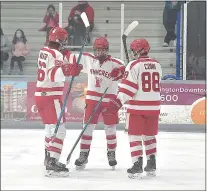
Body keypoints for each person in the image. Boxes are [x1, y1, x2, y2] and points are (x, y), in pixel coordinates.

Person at [64, 37, 125, 170]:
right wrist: (73, 66)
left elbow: (127, 73)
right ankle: (83, 154)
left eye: (103, 50)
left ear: (107, 50)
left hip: (109, 100)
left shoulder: (116, 62)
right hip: (92, 99)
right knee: (87, 127)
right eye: (98, 50)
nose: (100, 53)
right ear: (94, 49)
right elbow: (71, 57)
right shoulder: (88, 58)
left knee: (110, 129)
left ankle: (111, 153)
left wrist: (120, 72)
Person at [105, 39, 162, 178]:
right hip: (154, 107)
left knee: (134, 136)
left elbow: (129, 88)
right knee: (149, 136)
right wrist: (125, 74)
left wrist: (116, 103)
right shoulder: (157, 64)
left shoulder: (134, 65)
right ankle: (151, 163)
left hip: (138, 108)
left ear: (137, 51)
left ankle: (137, 164)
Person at [35, 27, 83, 177]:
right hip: (51, 96)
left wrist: (67, 68)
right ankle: (52, 163)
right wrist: (68, 71)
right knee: (60, 130)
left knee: (50, 128)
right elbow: (54, 75)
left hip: (40, 95)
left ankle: (48, 157)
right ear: (61, 40)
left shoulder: (43, 50)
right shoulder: (56, 54)